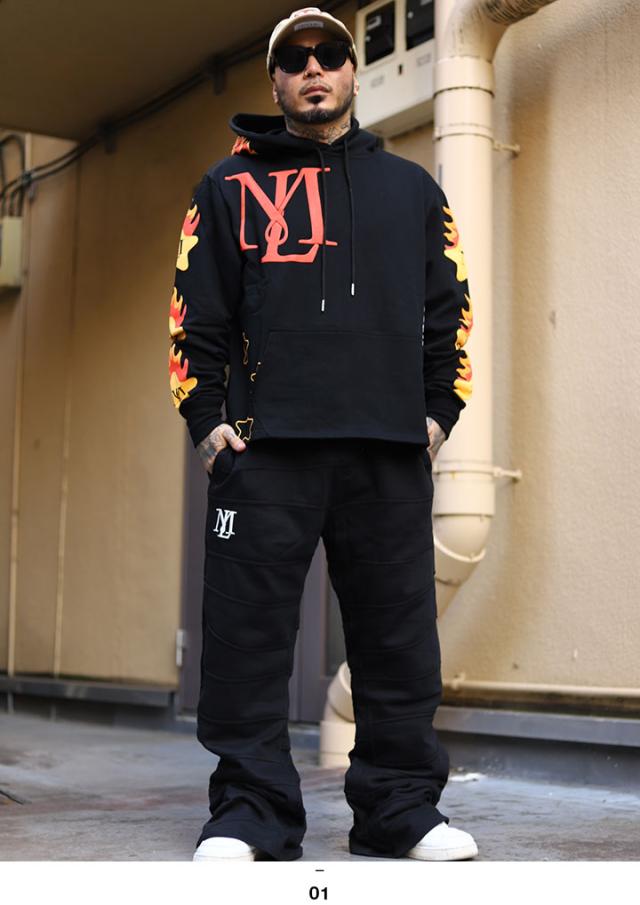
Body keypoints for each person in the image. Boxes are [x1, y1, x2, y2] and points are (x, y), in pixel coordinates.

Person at [168, 6, 477, 863]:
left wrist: (438, 415)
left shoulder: (412, 190)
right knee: (246, 639)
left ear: (351, 71)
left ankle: (401, 810)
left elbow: (451, 307)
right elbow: (194, 316)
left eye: (330, 53)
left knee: (397, 640)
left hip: (386, 451)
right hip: (265, 450)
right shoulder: (226, 188)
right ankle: (249, 813)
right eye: (295, 57)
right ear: (275, 81)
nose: (314, 68)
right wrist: (206, 423)